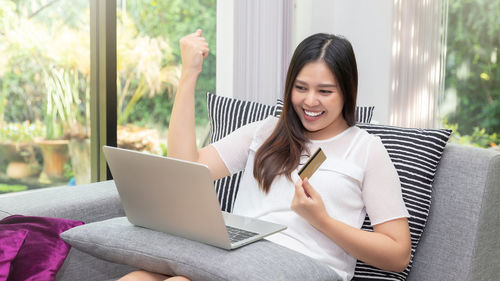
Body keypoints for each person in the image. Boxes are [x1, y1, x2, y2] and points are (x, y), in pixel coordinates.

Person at [119, 29, 411, 281]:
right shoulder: (266, 131)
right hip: (237, 259)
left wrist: (322, 221)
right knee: (138, 278)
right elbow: (184, 169)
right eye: (300, 88)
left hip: (303, 269)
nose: (310, 101)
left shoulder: (366, 149)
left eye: (325, 91)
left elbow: (398, 255)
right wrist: (189, 74)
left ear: (347, 92)